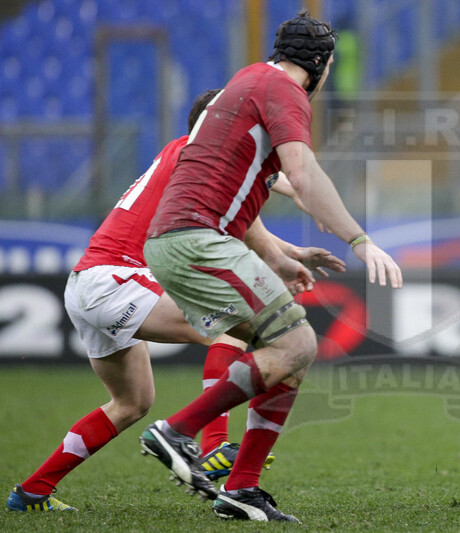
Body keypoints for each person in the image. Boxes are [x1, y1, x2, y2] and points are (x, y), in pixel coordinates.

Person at [6, 90, 344, 513]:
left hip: (90, 282)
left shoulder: (185, 156)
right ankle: (214, 446)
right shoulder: (201, 162)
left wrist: (289, 240)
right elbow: (247, 217)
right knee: (248, 331)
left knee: (132, 403)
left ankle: (32, 491)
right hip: (119, 280)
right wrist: (287, 247)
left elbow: (251, 208)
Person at [138, 10, 402, 523]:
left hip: (180, 240)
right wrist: (361, 240)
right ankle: (178, 431)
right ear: (323, 65)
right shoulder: (285, 92)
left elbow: (269, 181)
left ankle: (243, 489)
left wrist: (281, 257)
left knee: (289, 352)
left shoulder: (248, 81)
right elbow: (303, 175)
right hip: (198, 240)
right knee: (298, 342)